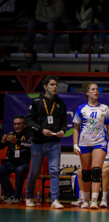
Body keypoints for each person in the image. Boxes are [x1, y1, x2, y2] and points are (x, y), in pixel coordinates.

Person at [25, 75, 68, 208]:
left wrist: (62, 131)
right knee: (34, 171)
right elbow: (28, 121)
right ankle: (29, 196)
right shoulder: (36, 102)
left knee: (54, 171)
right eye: (52, 84)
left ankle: (54, 200)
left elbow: (64, 122)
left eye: (56, 84)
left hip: (54, 143)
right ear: (45, 87)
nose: (55, 87)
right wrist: (41, 130)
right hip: (38, 143)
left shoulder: (60, 103)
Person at [72, 83, 109, 209]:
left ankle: (94, 200)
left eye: (97, 89)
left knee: (96, 171)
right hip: (84, 143)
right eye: (93, 89)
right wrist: (75, 145)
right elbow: (75, 128)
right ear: (87, 92)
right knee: (85, 173)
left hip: (99, 142)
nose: (96, 91)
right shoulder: (81, 108)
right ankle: (85, 200)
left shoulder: (104, 108)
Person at [71, 138, 109, 208]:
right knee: (80, 172)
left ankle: (104, 200)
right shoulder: (96, 141)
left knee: (105, 171)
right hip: (99, 167)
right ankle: (83, 199)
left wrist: (103, 166)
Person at [0, 115, 33, 204]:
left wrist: (17, 141)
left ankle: (17, 196)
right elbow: (1, 147)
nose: (16, 126)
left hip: (25, 163)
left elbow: (31, 146)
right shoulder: (10, 133)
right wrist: (2, 143)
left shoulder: (29, 134)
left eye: (19, 124)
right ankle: (10, 195)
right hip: (12, 163)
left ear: (25, 125)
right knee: (1, 169)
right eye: (15, 124)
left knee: (20, 170)